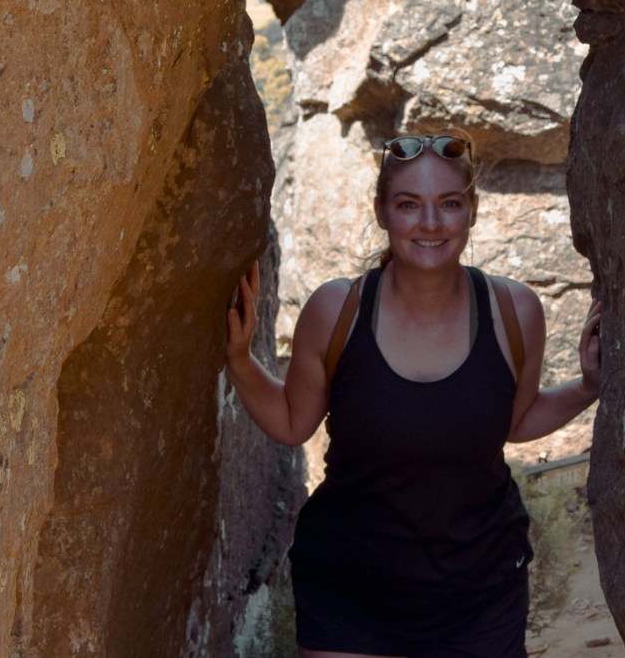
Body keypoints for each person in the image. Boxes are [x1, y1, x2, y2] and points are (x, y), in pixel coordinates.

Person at [225, 132, 602, 658]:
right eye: (408, 205)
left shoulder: (515, 312)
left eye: (449, 204)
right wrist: (240, 362)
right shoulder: (337, 312)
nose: (430, 223)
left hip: (479, 593)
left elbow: (516, 420)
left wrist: (589, 387)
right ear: (382, 212)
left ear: (472, 211)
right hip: (351, 592)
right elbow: (293, 423)